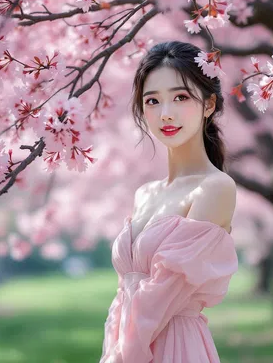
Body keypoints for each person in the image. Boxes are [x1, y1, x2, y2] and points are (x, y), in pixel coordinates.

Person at [99, 41, 238, 363]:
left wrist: (121, 357)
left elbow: (162, 297)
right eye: (153, 101)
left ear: (208, 104)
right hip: (123, 346)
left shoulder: (215, 188)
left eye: (181, 97)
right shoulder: (145, 193)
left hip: (173, 348)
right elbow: (124, 297)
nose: (166, 114)